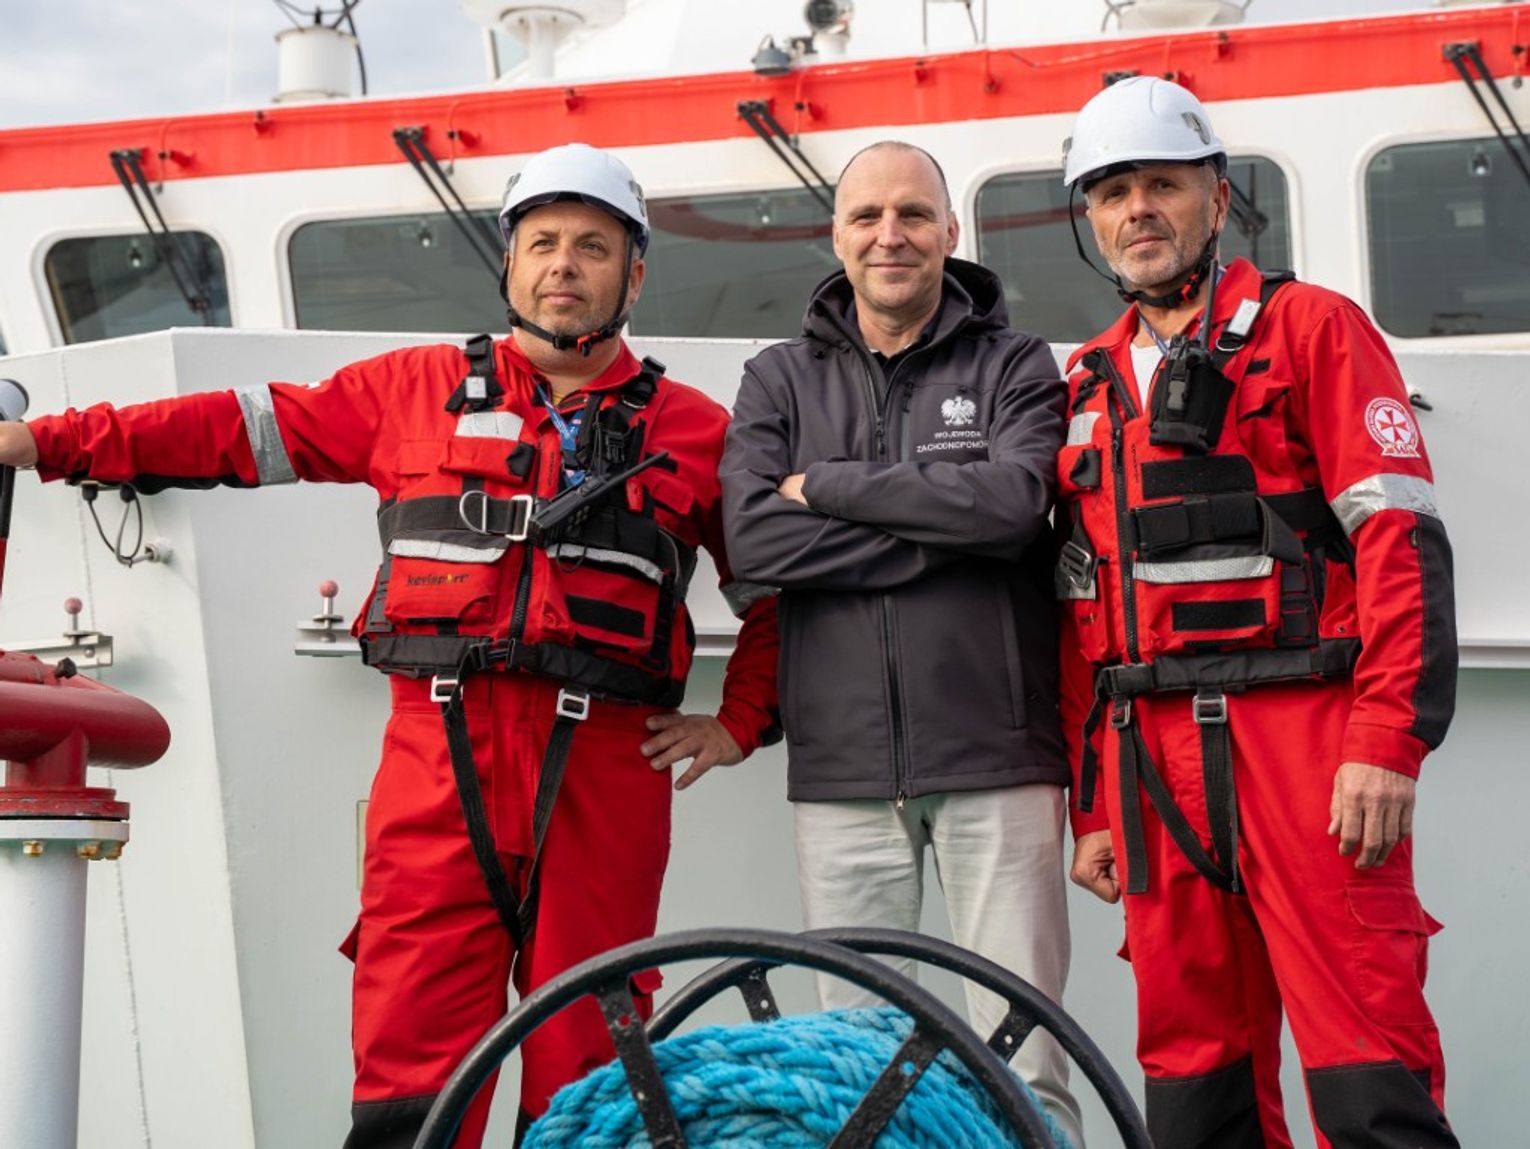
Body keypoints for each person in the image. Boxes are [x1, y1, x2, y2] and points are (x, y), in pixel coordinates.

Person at [0, 143, 779, 1148]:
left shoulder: (699, 432)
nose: (564, 264)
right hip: (437, 761)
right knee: (409, 1050)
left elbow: (779, 593)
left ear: (633, 276)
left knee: (589, 1059)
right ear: (509, 263)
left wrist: (739, 722)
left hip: (605, 776)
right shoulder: (411, 388)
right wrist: (50, 441)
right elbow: (244, 428)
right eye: (543, 241)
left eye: (593, 246)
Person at [1056, 77, 1459, 1148]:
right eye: (1111, 193)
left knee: (1366, 1058)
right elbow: (1085, 608)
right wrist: (1093, 805)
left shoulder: (1314, 329)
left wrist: (1387, 741)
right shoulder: (1087, 383)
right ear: (1089, 219)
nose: (1138, 210)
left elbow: (1401, 539)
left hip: (1311, 745)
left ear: (1219, 198)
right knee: (1195, 1080)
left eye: (1162, 184)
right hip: (1151, 762)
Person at [720, 140, 1084, 1147]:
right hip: (840, 771)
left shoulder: (1015, 363)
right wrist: (946, 535)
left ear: (950, 232)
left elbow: (1014, 507)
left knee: (1025, 1054)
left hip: (998, 759)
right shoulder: (777, 377)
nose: (892, 235)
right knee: (859, 1062)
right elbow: (756, 541)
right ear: (835, 236)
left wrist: (834, 486)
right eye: (868, 216)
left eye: (915, 214)